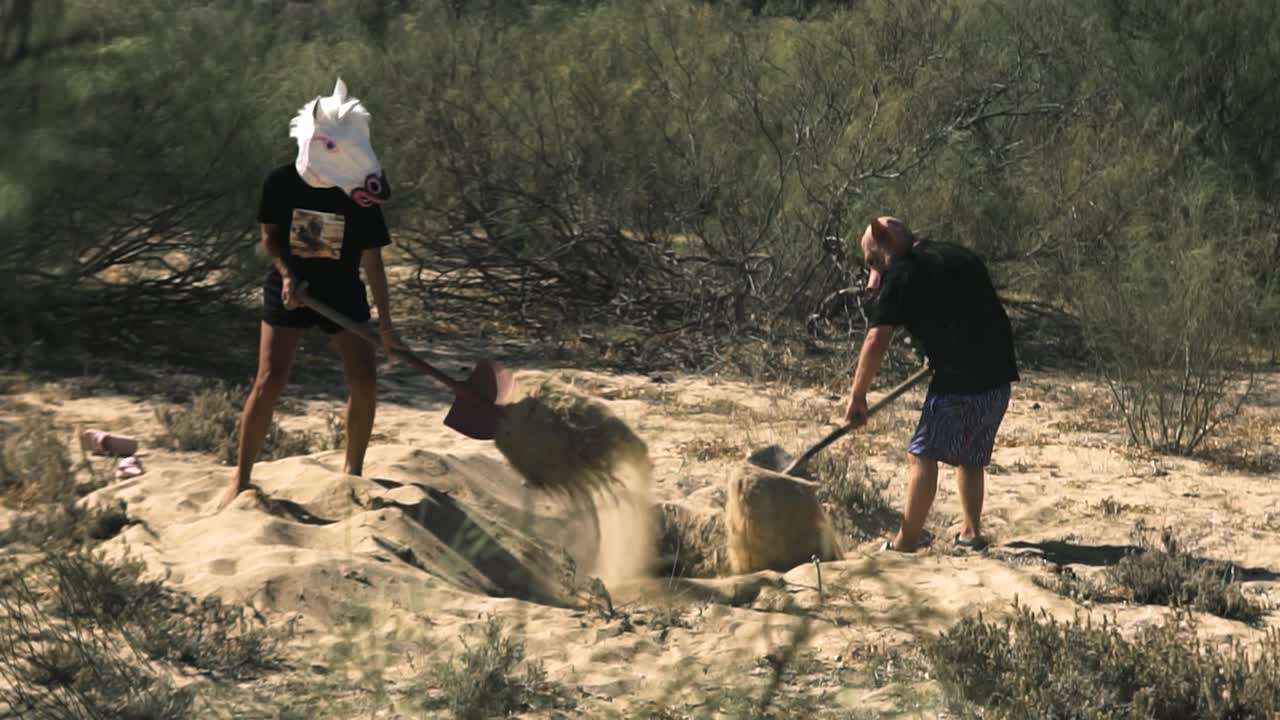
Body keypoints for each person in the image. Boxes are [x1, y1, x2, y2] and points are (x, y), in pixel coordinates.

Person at [218, 78, 407, 512]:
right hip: (291, 288)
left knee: (365, 380)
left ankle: (353, 474)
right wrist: (287, 275)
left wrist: (388, 325)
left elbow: (373, 261)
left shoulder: (359, 193)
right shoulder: (281, 182)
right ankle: (241, 480)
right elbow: (270, 237)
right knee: (270, 380)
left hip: (342, 293)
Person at [843, 216, 1019, 552]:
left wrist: (858, 397)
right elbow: (967, 313)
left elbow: (877, 339)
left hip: (960, 380)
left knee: (920, 454)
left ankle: (906, 543)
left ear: (884, 240)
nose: (874, 273)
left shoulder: (903, 273)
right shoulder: (957, 255)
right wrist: (937, 349)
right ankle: (971, 535)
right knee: (971, 457)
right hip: (999, 377)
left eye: (873, 260)